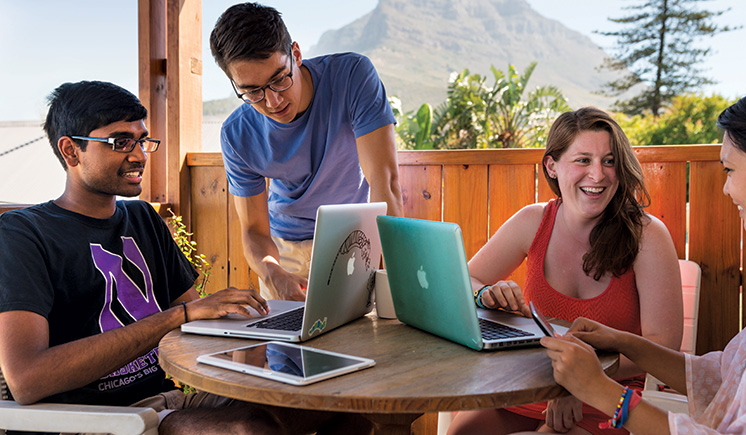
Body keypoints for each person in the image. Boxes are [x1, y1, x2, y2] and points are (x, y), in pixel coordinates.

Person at [0, 81, 371, 435]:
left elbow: (197, 325)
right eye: (120, 142)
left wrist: (275, 326)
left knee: (345, 403)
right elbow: (27, 379)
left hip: (168, 403)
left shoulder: (142, 219)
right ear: (71, 151)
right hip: (94, 419)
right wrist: (180, 315)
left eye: (142, 141)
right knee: (251, 430)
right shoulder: (24, 235)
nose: (138, 155)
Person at [541, 75, 746, 433]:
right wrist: (621, 341)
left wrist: (601, 391)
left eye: (730, 170)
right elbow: (726, 375)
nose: (726, 188)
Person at [448, 107, 683, 434]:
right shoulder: (532, 221)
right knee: (461, 432)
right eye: (583, 160)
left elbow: (665, 344)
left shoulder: (647, 235)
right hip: (533, 383)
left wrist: (580, 379)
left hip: (608, 392)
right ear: (552, 166)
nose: (598, 175)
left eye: (609, 161)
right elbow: (464, 281)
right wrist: (485, 294)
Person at [209, 2, 404, 301]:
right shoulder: (237, 134)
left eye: (279, 79)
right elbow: (254, 230)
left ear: (296, 54)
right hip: (283, 253)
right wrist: (271, 272)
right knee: (282, 333)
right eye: (252, 91)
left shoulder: (352, 76)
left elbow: (385, 182)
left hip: (353, 241)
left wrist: (393, 277)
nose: (273, 101)